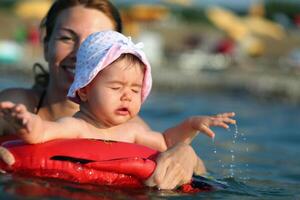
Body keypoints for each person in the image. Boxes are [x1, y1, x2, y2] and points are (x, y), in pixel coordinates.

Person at [0, 0, 206, 189]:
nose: (81, 53)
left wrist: (188, 155)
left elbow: (199, 172)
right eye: (66, 38)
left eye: (98, 44)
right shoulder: (17, 106)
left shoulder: (130, 128)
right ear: (46, 46)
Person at [0, 30, 236, 152]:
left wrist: (191, 124)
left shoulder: (132, 131)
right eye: (116, 87)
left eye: (136, 89)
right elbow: (42, 132)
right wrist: (27, 123)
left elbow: (166, 142)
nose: (127, 95)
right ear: (84, 90)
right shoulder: (76, 126)